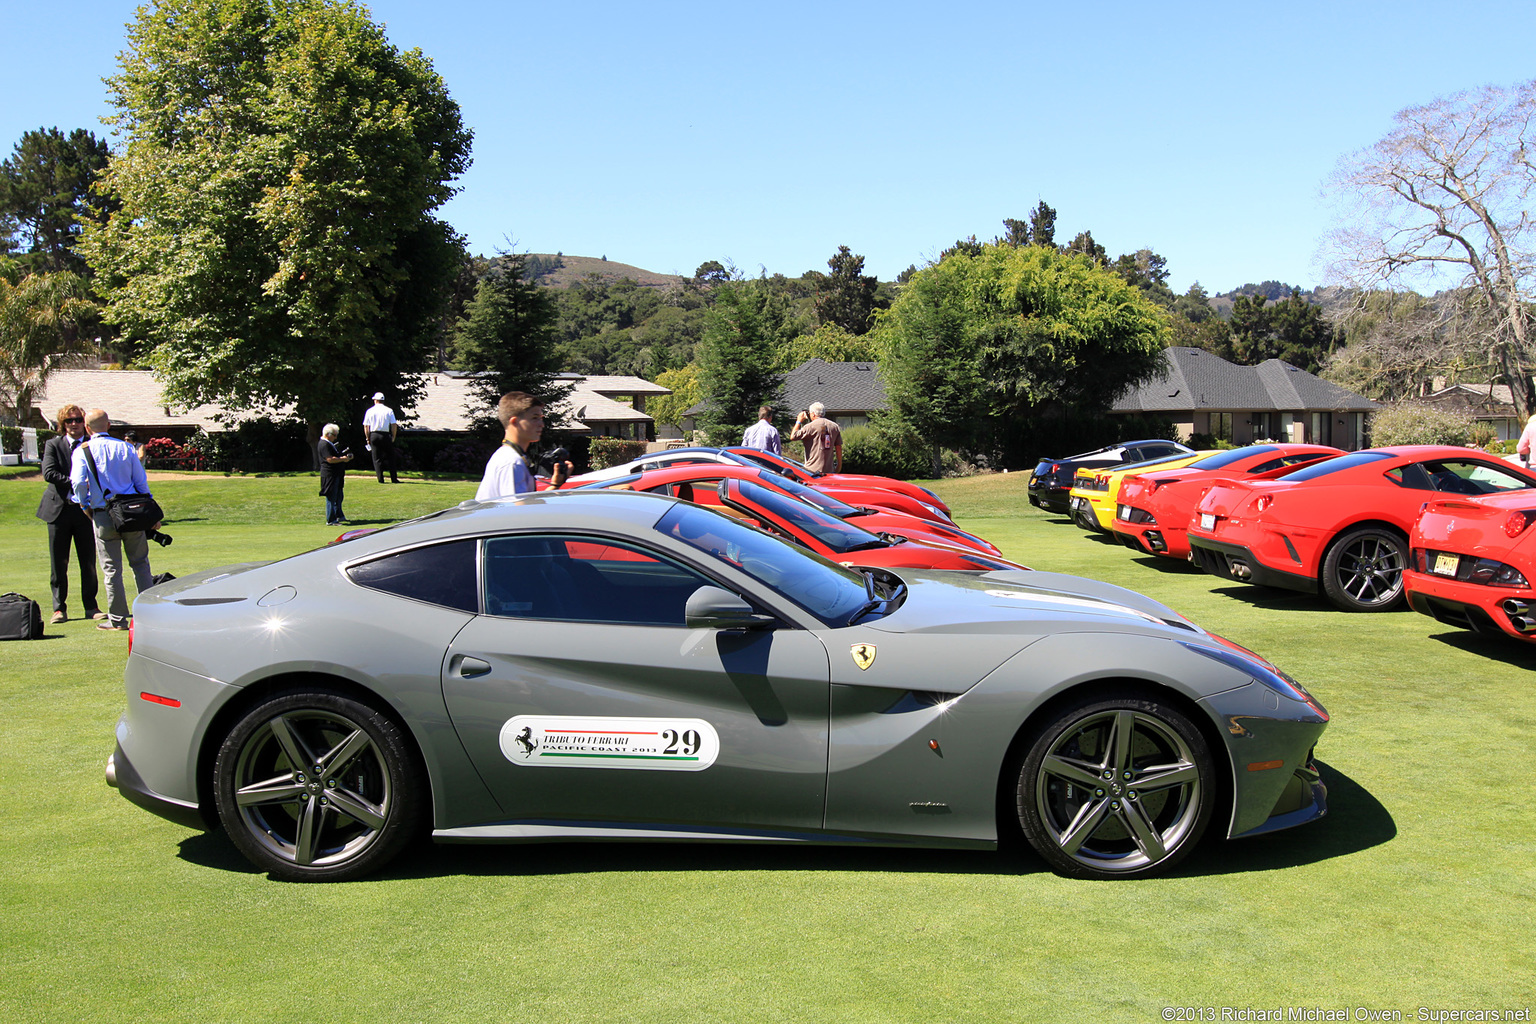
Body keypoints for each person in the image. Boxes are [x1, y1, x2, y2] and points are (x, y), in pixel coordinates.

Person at [70, 409, 156, 632]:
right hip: (131, 512)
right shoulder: (126, 447)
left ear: (87, 428)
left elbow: (78, 482)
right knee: (140, 564)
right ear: (108, 425)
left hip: (103, 513)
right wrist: (150, 510)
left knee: (111, 569)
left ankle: (118, 619)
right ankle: (150, 616)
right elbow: (141, 482)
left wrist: (84, 503)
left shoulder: (82, 451)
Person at [35, 403, 104, 624]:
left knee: (88, 562)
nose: (73, 424)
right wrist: (78, 483)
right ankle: (59, 609)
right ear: (62, 424)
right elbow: (49, 473)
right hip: (58, 511)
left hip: (86, 511)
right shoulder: (53, 444)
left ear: (84, 423)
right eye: (69, 421)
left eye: (77, 420)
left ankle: (91, 606)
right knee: (59, 563)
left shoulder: (92, 445)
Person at [476, 391, 571, 500]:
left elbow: (525, 506)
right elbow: (517, 512)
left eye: (541, 418)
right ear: (515, 422)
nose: (541, 424)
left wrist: (555, 485)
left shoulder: (512, 456)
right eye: (535, 418)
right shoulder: (512, 462)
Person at [790, 401, 843, 474]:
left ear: (813, 414)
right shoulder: (834, 426)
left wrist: (799, 421)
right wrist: (839, 465)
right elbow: (838, 447)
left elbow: (793, 436)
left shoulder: (810, 427)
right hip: (829, 469)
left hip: (812, 470)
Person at [317, 423, 354, 525]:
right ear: (328, 434)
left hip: (336, 473)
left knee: (338, 496)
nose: (335, 437)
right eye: (334, 435)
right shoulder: (324, 444)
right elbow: (330, 459)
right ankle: (331, 519)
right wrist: (343, 459)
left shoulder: (329, 443)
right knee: (331, 497)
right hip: (329, 474)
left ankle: (339, 516)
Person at [363, 392, 400, 484]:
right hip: (385, 435)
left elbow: (366, 426)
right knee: (391, 457)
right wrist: (393, 436)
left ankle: (380, 478)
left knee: (377, 458)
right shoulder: (389, 410)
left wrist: (367, 438)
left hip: (374, 435)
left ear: (375, 400)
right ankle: (394, 478)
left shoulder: (370, 411)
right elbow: (394, 424)